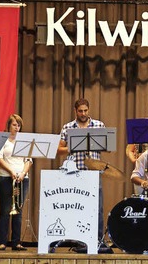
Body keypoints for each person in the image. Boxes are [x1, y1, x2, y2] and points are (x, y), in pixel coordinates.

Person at [57, 98, 111, 253]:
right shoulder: (67, 127)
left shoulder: (99, 125)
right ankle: (81, 241)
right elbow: (59, 150)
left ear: (89, 110)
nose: (83, 113)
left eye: (85, 111)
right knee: (78, 207)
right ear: (75, 111)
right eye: (80, 111)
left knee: (98, 208)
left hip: (94, 172)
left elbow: (107, 149)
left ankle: (98, 241)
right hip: (75, 172)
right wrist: (73, 146)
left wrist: (99, 144)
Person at [0, 114, 31, 251]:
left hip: (22, 178)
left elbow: (29, 160)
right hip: (5, 178)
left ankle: (16, 242)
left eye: (19, 125)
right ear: (9, 126)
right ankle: (2, 241)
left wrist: (22, 173)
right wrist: (11, 172)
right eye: (14, 125)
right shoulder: (2, 140)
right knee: (5, 210)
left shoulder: (24, 141)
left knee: (18, 210)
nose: (17, 127)